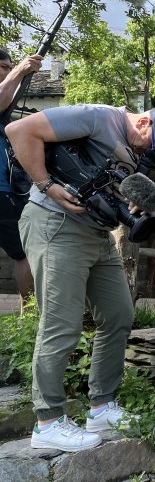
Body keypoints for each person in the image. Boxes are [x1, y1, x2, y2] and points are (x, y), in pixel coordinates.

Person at [5, 103, 155, 452]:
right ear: (143, 121)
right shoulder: (98, 117)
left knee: (119, 314)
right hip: (55, 223)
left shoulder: (154, 143)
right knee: (61, 322)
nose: (147, 155)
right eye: (148, 147)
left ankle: (101, 407)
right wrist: (45, 184)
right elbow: (19, 131)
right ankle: (48, 423)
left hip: (98, 235)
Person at [0, 49, 43, 305]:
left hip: (8, 192)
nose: (9, 70)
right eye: (4, 67)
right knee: (26, 254)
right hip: (2, 192)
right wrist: (19, 71)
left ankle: (28, 317)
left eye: (9, 66)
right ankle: (28, 316)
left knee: (25, 252)